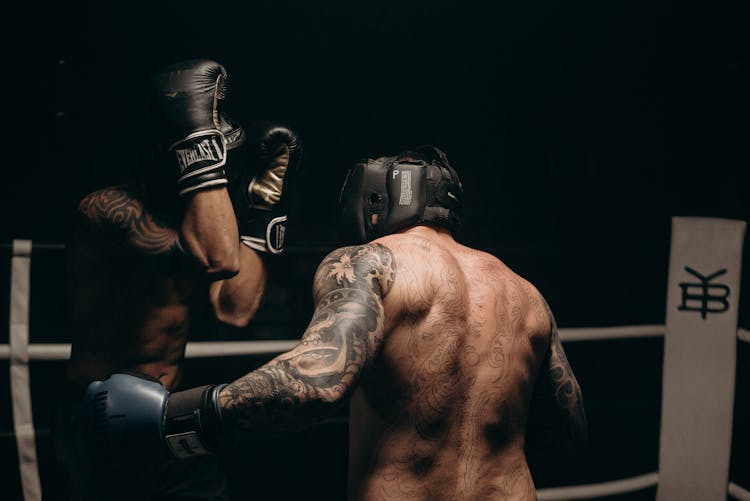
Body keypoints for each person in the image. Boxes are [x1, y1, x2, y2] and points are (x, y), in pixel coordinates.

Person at [80, 145, 586, 500]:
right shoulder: (525, 292)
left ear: (373, 201)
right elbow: (568, 429)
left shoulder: (371, 263)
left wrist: (173, 418)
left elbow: (316, 384)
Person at [54, 58, 302, 500]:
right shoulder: (110, 210)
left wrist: (261, 208)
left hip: (168, 412)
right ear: (182, 151)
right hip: (96, 413)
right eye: (211, 158)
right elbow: (218, 259)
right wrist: (196, 138)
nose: (222, 175)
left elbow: (236, 309)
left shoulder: (197, 223)